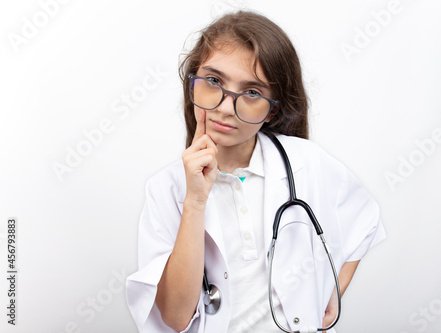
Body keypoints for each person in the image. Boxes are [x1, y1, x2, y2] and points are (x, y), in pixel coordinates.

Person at [126, 10, 385, 333]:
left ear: (273, 108)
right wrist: (194, 201)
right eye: (213, 81)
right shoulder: (167, 188)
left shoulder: (307, 162)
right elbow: (176, 317)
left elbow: (365, 221)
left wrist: (330, 294)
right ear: (192, 82)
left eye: (251, 93)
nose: (223, 106)